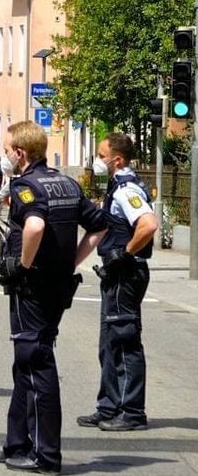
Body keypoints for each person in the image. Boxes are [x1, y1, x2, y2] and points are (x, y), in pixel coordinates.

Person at [0, 121, 106, 475]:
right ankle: (17, 442)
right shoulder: (65, 182)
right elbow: (100, 225)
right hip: (55, 286)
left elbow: (35, 226)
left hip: (34, 288)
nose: (4, 156)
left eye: (6, 150)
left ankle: (46, 455)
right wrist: (71, 261)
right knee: (25, 361)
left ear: (20, 153)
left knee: (36, 362)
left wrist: (24, 265)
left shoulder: (27, 186)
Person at [78, 133, 157, 432]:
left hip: (127, 273)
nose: (98, 160)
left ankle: (132, 411)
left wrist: (124, 254)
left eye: (101, 155)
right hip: (116, 274)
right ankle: (109, 405)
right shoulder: (116, 186)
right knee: (109, 343)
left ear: (117, 159)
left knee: (124, 341)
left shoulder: (127, 189)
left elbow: (148, 224)